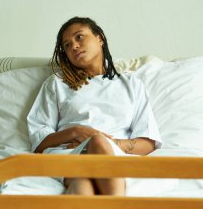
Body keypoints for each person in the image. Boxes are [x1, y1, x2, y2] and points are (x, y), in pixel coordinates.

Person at [27, 16, 162, 196]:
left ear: (100, 38)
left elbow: (147, 142)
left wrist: (104, 143)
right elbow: (38, 141)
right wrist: (76, 131)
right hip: (69, 155)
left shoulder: (131, 84)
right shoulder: (57, 83)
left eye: (79, 37)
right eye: (67, 45)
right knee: (85, 170)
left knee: (84, 177)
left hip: (114, 154)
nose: (73, 46)